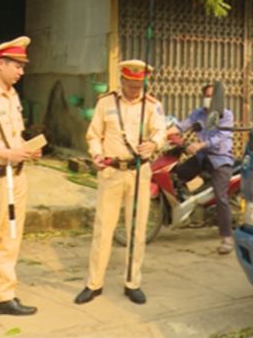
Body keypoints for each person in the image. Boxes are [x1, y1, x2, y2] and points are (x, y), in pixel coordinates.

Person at [75, 60, 165, 305]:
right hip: (111, 172)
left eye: (139, 84)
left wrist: (153, 143)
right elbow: (94, 134)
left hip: (139, 172)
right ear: (122, 80)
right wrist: (95, 153)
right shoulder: (106, 102)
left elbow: (160, 130)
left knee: (137, 229)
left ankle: (132, 282)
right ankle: (94, 284)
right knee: (103, 229)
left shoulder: (152, 105)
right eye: (131, 84)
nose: (135, 89)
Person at [0, 36, 41, 316]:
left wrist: (25, 150)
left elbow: (14, 135)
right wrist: (4, 154)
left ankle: (3, 296)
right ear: (0, 63)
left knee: (10, 238)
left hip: (16, 177)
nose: (22, 71)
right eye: (17, 65)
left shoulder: (12, 95)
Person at [168, 83, 235, 254]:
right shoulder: (197, 113)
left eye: (213, 96)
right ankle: (187, 209)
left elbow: (220, 137)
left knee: (221, 197)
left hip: (220, 159)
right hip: (201, 158)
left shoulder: (226, 115)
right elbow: (182, 126)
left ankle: (227, 237)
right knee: (174, 175)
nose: (209, 99)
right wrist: (164, 132)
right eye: (207, 95)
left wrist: (200, 145)